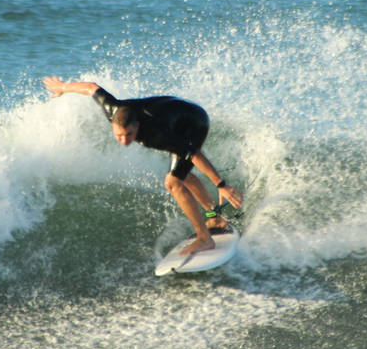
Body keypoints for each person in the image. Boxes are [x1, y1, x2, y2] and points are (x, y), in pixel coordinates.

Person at [43, 76, 243, 255]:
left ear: (137, 126)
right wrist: (63, 87)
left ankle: (204, 238)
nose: (124, 140)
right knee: (184, 175)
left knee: (173, 182)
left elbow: (195, 154)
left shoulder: (155, 133)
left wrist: (221, 184)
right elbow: (90, 87)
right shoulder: (112, 109)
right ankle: (213, 217)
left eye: (129, 134)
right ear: (112, 122)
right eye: (119, 135)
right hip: (176, 113)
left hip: (194, 123)